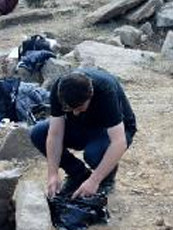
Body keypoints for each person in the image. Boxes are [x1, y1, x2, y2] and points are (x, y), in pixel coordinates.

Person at [29, 68, 137, 199]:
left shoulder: (105, 90)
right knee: (39, 133)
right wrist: (53, 174)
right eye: (70, 109)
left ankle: (106, 180)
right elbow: (55, 134)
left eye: (79, 108)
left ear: (91, 94)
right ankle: (78, 174)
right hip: (83, 125)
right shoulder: (60, 89)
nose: (74, 112)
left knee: (93, 154)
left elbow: (119, 142)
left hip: (113, 128)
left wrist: (94, 180)